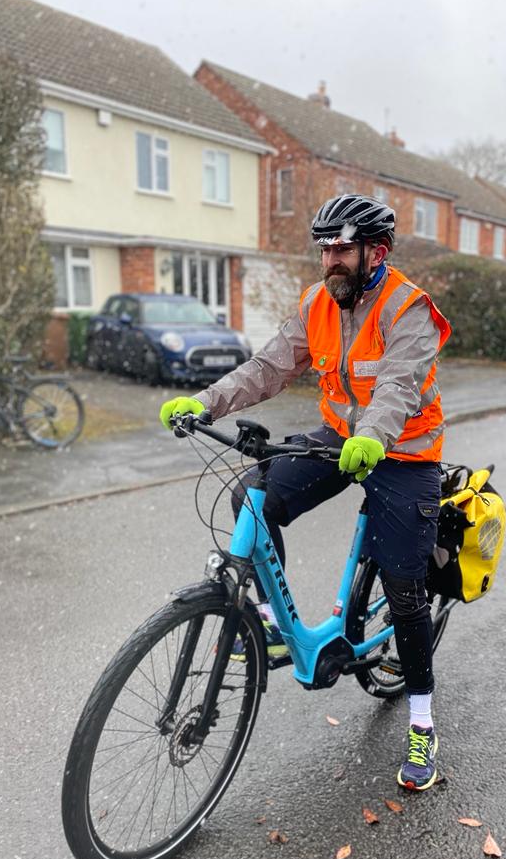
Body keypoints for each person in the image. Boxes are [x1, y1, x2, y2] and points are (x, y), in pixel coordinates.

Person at [159, 194, 451, 791]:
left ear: (377, 252)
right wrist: (205, 401)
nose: (331, 260)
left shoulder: (408, 309)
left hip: (403, 452)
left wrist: (373, 435)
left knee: (404, 589)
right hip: (340, 438)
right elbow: (267, 368)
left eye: (342, 248)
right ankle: (267, 621)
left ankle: (421, 718)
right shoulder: (318, 302)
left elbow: (397, 388)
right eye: (325, 249)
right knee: (254, 500)